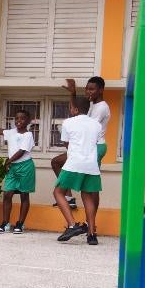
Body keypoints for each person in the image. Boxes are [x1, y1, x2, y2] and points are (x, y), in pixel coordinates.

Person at [54, 77, 110, 209]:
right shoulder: (91, 104)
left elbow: (81, 123)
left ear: (101, 90)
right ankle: (68, 197)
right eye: (86, 88)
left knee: (91, 188)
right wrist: (73, 93)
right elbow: (77, 111)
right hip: (85, 146)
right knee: (56, 162)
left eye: (92, 89)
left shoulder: (101, 107)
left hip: (95, 147)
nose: (88, 92)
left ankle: (91, 222)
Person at [54, 96, 102, 245]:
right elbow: (96, 143)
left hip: (74, 163)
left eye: (70, 108)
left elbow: (66, 143)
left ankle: (72, 225)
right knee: (87, 196)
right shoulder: (96, 125)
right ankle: (92, 234)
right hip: (91, 165)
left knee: (58, 192)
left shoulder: (68, 122)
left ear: (74, 109)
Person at [0, 110, 36, 234]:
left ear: (28, 121)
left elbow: (22, 151)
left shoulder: (28, 135)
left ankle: (20, 224)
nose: (19, 121)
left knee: (24, 195)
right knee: (7, 194)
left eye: (22, 119)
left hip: (25, 166)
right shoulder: (11, 132)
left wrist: (8, 161)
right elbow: (2, 131)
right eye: (17, 118)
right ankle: (5, 223)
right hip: (13, 167)